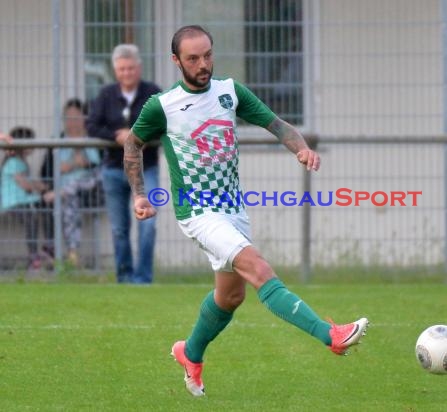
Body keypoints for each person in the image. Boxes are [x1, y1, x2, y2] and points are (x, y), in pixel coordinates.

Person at [123, 25, 369, 397]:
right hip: (198, 212)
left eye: (207, 55)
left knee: (230, 297)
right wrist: (139, 195)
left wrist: (299, 148)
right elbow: (133, 144)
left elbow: (276, 123)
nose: (203, 64)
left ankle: (189, 354)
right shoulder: (163, 105)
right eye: (193, 58)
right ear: (176, 61)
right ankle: (330, 335)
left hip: (234, 209)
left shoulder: (229, 91)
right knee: (259, 268)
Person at [86, 44, 161, 283]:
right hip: (113, 169)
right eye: (121, 69)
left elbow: (165, 123)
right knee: (119, 229)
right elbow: (92, 126)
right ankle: (125, 278)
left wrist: (143, 135)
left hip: (145, 168)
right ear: (115, 70)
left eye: (130, 68)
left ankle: (144, 278)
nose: (126, 73)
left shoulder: (153, 93)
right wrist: (117, 136)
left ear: (138, 68)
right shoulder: (106, 94)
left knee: (148, 225)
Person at [43, 98, 101, 266]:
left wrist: (72, 164)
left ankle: (70, 251)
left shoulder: (92, 138)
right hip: (63, 190)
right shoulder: (58, 140)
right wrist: (74, 163)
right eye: (68, 117)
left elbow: (96, 165)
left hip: (90, 190)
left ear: (84, 118)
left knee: (74, 191)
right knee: (69, 201)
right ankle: (72, 252)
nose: (72, 121)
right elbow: (49, 170)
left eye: (76, 116)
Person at [1, 127, 50, 270]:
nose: (33, 145)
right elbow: (24, 184)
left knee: (45, 207)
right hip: (13, 202)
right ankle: (34, 254)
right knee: (31, 217)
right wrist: (39, 186)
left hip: (23, 200)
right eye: (29, 142)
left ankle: (47, 246)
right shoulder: (13, 162)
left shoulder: (21, 162)